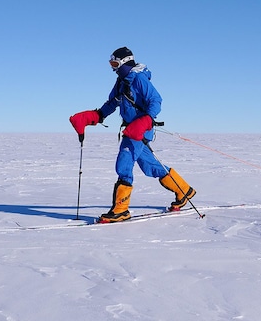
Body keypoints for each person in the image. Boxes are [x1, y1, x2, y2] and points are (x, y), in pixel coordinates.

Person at [69, 47, 196, 223]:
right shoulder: (121, 81)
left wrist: (144, 121)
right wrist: (95, 116)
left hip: (139, 130)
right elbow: (112, 103)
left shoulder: (139, 79)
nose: (113, 68)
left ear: (124, 62)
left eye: (115, 64)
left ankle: (121, 210)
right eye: (111, 64)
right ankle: (184, 190)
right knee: (150, 166)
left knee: (124, 164)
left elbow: (156, 101)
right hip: (131, 130)